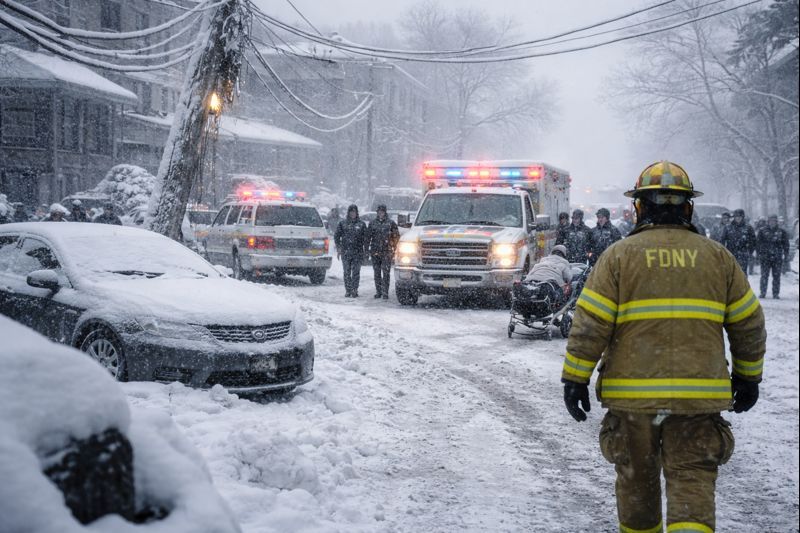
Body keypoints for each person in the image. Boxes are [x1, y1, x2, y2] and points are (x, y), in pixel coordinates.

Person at [561, 160, 766, 533]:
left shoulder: (618, 257)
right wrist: (748, 377)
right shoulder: (718, 258)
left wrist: (575, 379)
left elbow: (590, 325)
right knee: (692, 482)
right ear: (687, 207)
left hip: (633, 402)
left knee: (637, 484)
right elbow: (749, 324)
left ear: (640, 207)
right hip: (696, 402)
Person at [366, 204, 400, 299]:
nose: (380, 213)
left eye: (382, 211)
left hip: (386, 252)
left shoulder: (391, 223)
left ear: (385, 212)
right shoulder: (372, 223)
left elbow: (396, 237)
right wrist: (367, 250)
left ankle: (385, 292)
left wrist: (394, 248)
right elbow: (368, 237)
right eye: (379, 211)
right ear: (377, 212)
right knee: (377, 273)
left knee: (386, 273)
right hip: (375, 251)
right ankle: (378, 291)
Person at [334, 204, 368, 298]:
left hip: (357, 252)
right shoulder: (343, 224)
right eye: (351, 212)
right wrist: (339, 248)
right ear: (348, 213)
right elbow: (336, 236)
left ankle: (354, 290)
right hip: (346, 252)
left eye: (354, 212)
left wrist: (365, 251)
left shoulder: (361, 224)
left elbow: (366, 239)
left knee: (356, 272)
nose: (353, 214)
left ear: (357, 213)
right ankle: (348, 290)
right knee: (346, 272)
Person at [756, 214, 789, 299]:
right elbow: (758, 244)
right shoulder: (762, 231)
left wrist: (786, 255)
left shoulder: (782, 232)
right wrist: (758, 254)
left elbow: (786, 244)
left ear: (776, 221)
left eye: (774, 221)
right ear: (768, 221)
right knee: (764, 276)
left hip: (777, 257)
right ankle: (763, 292)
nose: (772, 222)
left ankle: (775, 293)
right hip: (765, 257)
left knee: (776, 276)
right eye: (771, 220)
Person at [719, 208, 756, 273]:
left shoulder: (748, 227)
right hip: (730, 254)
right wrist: (724, 252)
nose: (738, 218)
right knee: (731, 273)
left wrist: (749, 252)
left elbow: (753, 241)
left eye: (739, 216)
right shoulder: (728, 227)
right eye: (736, 216)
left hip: (743, 255)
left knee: (742, 274)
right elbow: (722, 240)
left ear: (743, 217)